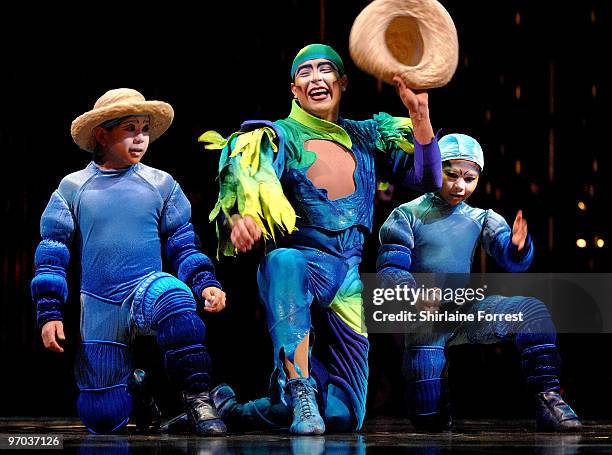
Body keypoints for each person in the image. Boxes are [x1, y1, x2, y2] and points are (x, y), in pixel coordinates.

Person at [201, 43, 442, 434]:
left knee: (345, 419)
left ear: (342, 82)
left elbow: (427, 180)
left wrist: (419, 114)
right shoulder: (276, 137)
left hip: (347, 277)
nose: (316, 78)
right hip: (298, 268)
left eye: (325, 69)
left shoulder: (367, 136)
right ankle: (299, 389)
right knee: (284, 260)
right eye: (305, 72)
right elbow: (243, 180)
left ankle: (232, 410)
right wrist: (241, 218)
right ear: (294, 89)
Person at [32, 88, 227, 435]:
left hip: (147, 291)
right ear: (103, 134)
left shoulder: (160, 183)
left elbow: (183, 244)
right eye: (130, 129)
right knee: (103, 420)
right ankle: (140, 389)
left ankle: (198, 397)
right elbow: (52, 253)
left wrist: (206, 283)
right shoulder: (73, 187)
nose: (140, 138)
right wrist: (49, 312)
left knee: (175, 297)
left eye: (144, 129)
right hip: (100, 305)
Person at [376, 133, 581, 431]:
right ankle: (435, 407)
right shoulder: (407, 215)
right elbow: (390, 270)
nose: (460, 185)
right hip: (426, 322)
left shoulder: (481, 217)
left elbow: (510, 259)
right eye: (452, 174)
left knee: (531, 312)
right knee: (427, 421)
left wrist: (517, 247)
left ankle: (548, 397)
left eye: (469, 178)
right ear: (436, 170)